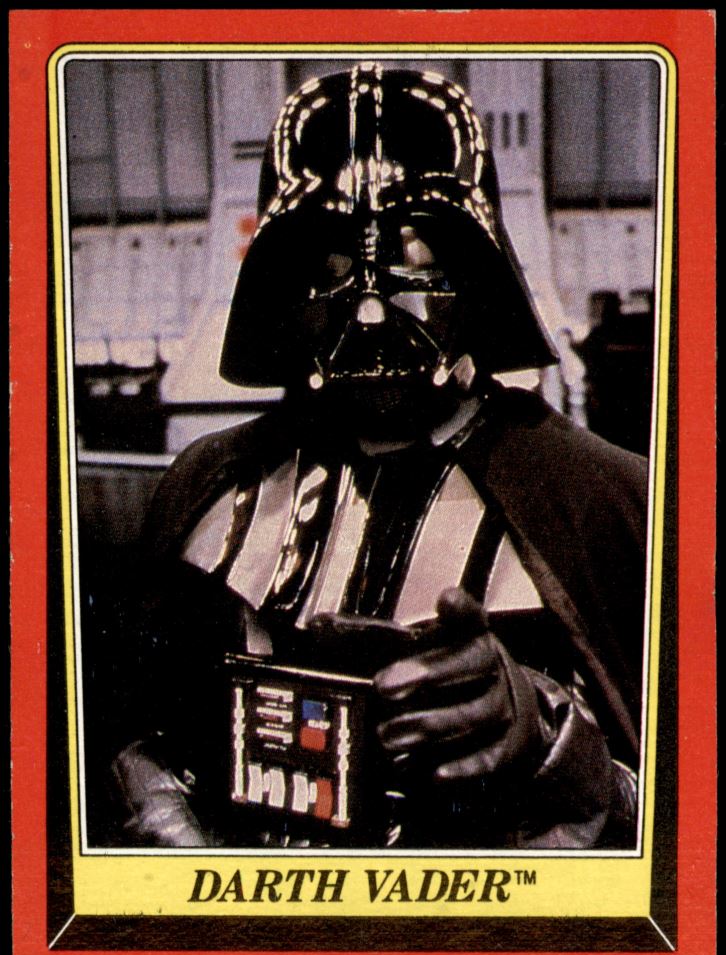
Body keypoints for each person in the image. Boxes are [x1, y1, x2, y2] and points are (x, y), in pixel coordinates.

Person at [110, 64, 646, 851]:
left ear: (478, 278)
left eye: (413, 266)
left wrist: (557, 746)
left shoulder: (601, 500)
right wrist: (158, 802)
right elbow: (130, 719)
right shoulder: (208, 485)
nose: (368, 310)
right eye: (328, 274)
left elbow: (678, 812)